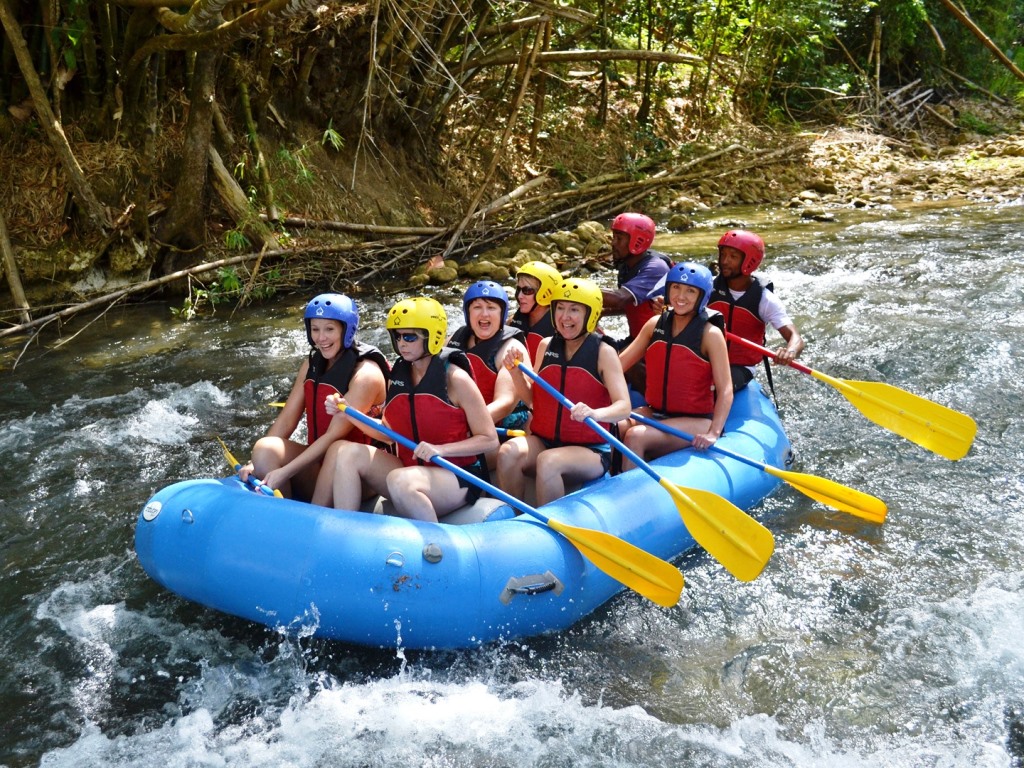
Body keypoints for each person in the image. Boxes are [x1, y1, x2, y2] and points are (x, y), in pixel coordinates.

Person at [328, 296, 498, 522]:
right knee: (347, 452)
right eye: (397, 336)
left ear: (433, 336)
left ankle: (435, 546)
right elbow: (388, 434)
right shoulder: (398, 377)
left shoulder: (456, 379)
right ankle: (345, 532)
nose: (402, 343)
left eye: (409, 336)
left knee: (401, 480)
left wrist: (441, 450)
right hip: (410, 470)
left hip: (456, 476)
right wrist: (348, 412)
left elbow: (489, 439)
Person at [240, 293, 389, 504]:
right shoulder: (311, 365)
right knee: (265, 449)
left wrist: (285, 472)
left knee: (336, 454)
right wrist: (254, 462)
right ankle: (282, 514)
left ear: (346, 330)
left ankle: (314, 519)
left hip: (353, 474)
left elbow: (333, 436)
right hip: (317, 462)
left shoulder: (366, 375)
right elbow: (286, 420)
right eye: (315, 329)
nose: (321, 338)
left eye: (329, 329)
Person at [498, 278, 632, 505]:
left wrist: (595, 413)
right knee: (507, 453)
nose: (565, 316)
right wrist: (514, 372)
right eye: (560, 308)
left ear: (590, 315)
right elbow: (533, 400)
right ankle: (516, 521)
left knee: (549, 461)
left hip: (590, 451)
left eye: (574, 310)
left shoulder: (604, 351)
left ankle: (550, 531)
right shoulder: (546, 346)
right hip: (545, 440)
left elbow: (624, 407)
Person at [619, 262, 733, 470]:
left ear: (702, 296)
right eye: (676, 288)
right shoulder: (655, 324)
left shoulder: (710, 334)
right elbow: (618, 367)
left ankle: (630, 493)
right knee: (614, 425)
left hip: (696, 420)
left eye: (690, 291)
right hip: (656, 411)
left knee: (636, 436)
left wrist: (714, 433)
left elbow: (726, 389)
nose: (681, 296)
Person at [707, 229, 804, 392]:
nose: (724, 261)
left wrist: (790, 351)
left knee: (713, 387)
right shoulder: (707, 287)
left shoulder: (764, 299)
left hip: (739, 366)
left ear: (749, 262)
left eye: (733, 256)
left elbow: (796, 338)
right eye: (723, 254)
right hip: (703, 359)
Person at [446, 280, 531, 438]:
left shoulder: (511, 349)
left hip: (503, 433)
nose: (484, 314)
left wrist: (463, 425)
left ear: (502, 314)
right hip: (463, 427)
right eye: (477, 307)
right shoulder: (454, 340)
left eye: (491, 307)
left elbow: (504, 404)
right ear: (468, 313)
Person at [600, 212, 673, 345]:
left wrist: (575, 288)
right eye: (613, 237)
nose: (613, 243)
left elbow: (619, 299)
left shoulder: (656, 268)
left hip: (657, 346)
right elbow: (632, 305)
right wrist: (602, 312)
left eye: (619, 238)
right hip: (636, 341)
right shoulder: (626, 266)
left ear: (637, 241)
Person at [507, 261, 560, 361]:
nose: (519, 296)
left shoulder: (563, 328)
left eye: (527, 290)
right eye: (518, 289)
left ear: (546, 293)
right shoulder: (512, 321)